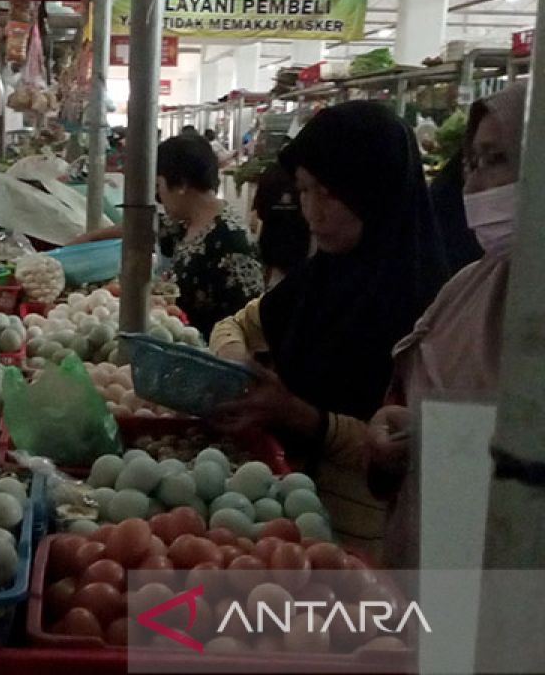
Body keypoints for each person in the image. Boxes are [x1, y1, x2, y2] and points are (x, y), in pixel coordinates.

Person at [208, 101, 448, 556]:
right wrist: (234, 360)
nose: (312, 212)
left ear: (373, 190)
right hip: (285, 516)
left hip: (369, 539)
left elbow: (410, 453)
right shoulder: (317, 281)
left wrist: (303, 417)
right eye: (304, 190)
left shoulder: (430, 307)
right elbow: (236, 323)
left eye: (329, 193)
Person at [368, 82, 527, 568]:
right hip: (432, 560)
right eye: (471, 164)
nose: (474, 186)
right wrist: (392, 431)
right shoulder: (468, 285)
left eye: (496, 159)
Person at [155, 132, 264, 337]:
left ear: (181, 184)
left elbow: (248, 325)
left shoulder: (230, 240)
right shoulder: (186, 223)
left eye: (159, 186)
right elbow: (145, 227)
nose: (159, 197)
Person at [250, 162, 311, 289]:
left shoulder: (270, 173)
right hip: (298, 240)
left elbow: (261, 210)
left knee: (262, 284)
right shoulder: (306, 173)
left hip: (271, 238)